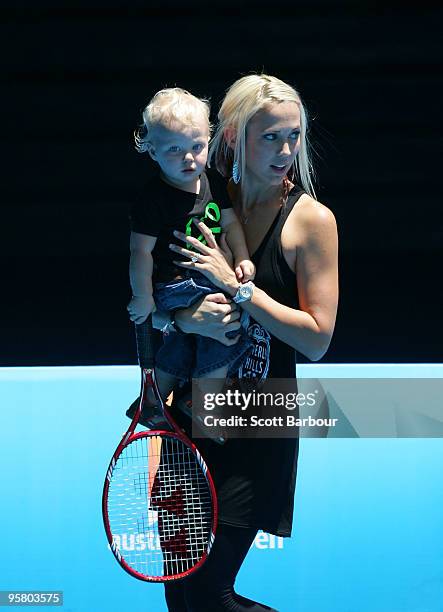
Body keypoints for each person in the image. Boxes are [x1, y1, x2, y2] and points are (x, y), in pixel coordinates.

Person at [153, 73, 338, 611]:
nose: (286, 150)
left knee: (211, 595)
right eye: (270, 137)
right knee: (182, 600)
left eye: (294, 136)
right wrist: (189, 318)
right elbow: (164, 303)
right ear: (232, 137)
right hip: (190, 412)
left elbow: (318, 339)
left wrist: (240, 289)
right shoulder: (203, 200)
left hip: (259, 416)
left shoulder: (311, 222)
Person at [127, 87, 255, 419]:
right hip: (175, 287)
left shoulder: (212, 180)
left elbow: (231, 226)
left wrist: (242, 258)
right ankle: (205, 406)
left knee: (185, 342)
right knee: (226, 328)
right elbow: (140, 252)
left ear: (208, 141)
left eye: (197, 147)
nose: (189, 158)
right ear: (152, 152)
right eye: (174, 149)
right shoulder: (153, 198)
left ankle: (155, 398)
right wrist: (143, 297)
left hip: (207, 278)